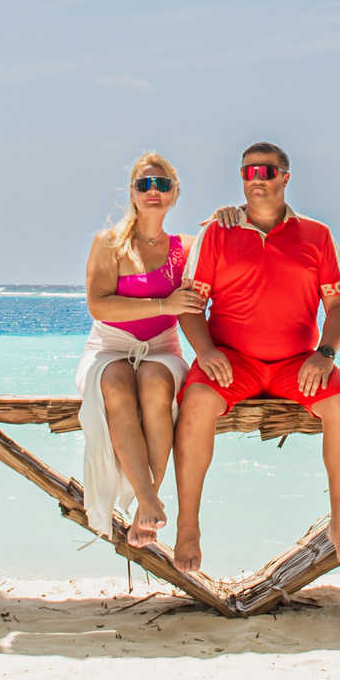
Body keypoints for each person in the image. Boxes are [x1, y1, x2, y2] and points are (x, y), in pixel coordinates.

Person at [171, 140, 340, 575]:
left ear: (285, 178)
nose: (257, 179)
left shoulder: (318, 235)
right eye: (248, 172)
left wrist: (326, 354)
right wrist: (204, 350)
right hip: (230, 361)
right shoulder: (217, 232)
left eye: (267, 172)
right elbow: (189, 304)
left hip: (297, 363)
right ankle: (187, 527)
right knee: (197, 403)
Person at [79, 153, 209, 547]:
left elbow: (227, 255)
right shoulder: (110, 242)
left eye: (162, 185)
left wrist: (228, 218)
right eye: (144, 184)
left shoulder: (186, 247)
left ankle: (144, 507)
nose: (153, 191)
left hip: (162, 347)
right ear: (133, 193)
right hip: (109, 344)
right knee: (117, 382)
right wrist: (164, 305)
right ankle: (148, 498)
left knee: (155, 383)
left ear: (174, 195)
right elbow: (99, 305)